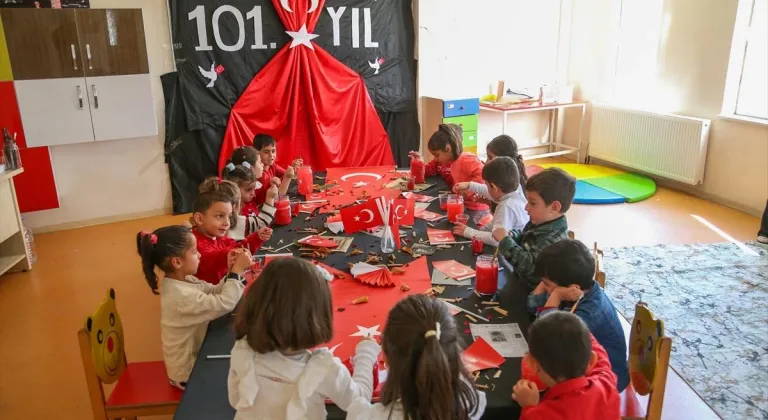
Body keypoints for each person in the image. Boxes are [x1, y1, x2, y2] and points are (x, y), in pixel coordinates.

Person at [228, 258, 380, 419]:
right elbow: (360, 403)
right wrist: (366, 355)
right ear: (316, 316)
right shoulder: (323, 368)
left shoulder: (242, 349)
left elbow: (235, 399)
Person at [136, 225, 249, 390]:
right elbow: (224, 303)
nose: (200, 255)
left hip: (195, 358)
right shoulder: (180, 296)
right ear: (177, 262)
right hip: (188, 372)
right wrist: (237, 273)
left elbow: (213, 292)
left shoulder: (184, 280)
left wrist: (231, 272)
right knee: (242, 375)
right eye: (195, 252)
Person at [347, 295, 486, 419]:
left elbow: (356, 400)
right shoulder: (471, 403)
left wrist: (365, 354)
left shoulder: (370, 416)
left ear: (387, 358)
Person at [528, 239, 629, 391]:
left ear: (571, 287)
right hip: (575, 364)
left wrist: (555, 296)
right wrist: (551, 287)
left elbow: (547, 340)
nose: (544, 287)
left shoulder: (589, 313)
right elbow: (531, 306)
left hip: (602, 383)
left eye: (547, 284)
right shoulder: (575, 290)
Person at [512, 311, 620, 419]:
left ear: (532, 364)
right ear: (592, 361)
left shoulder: (539, 415)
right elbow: (597, 351)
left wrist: (529, 406)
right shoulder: (606, 381)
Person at [492, 167, 575, 291]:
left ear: (554, 207)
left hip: (530, 295)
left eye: (533, 203)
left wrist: (505, 240)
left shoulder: (554, 242)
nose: (526, 208)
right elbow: (525, 237)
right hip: (519, 282)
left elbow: (530, 268)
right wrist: (512, 235)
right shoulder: (540, 221)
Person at [192, 180, 272, 284]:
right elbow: (214, 258)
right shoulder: (193, 244)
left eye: (229, 217)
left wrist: (257, 237)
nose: (227, 223)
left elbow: (238, 247)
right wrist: (235, 253)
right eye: (219, 216)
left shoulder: (218, 236)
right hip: (215, 295)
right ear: (199, 219)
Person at [409, 124, 489, 211]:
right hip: (461, 203)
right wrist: (418, 163)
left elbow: (483, 175)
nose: (435, 159)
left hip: (475, 208)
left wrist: (468, 190)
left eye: (437, 155)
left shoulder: (466, 159)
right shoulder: (449, 160)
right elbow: (427, 170)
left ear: (448, 148)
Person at [452, 157, 529, 246]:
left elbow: (496, 240)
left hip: (507, 256)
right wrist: (469, 185)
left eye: (488, 186)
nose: (487, 190)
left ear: (493, 187)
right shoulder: (514, 190)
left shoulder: (506, 207)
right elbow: (491, 193)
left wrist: (468, 232)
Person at [222, 162, 279, 231]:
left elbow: (261, 195)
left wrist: (270, 186)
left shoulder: (248, 199)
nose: (253, 194)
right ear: (233, 189)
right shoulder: (235, 212)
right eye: (248, 190)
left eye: (254, 188)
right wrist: (270, 198)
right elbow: (258, 226)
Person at [251, 134, 303, 203]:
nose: (271, 155)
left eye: (273, 151)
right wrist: (287, 177)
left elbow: (285, 173)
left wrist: (292, 168)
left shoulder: (272, 166)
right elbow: (278, 196)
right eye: (266, 152)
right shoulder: (260, 174)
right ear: (256, 153)